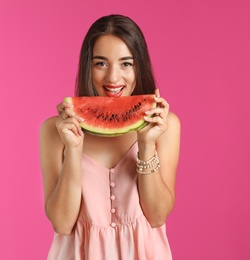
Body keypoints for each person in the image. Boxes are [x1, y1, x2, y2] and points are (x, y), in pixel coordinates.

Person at [40, 14, 180, 260]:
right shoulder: (55, 130)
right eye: (101, 63)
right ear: (88, 66)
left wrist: (146, 145)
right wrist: (73, 149)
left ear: (140, 66)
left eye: (126, 63)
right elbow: (62, 224)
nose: (113, 78)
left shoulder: (165, 126)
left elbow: (157, 216)